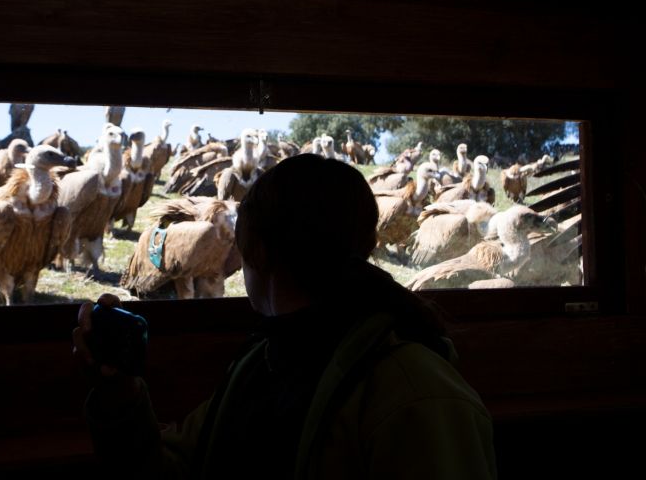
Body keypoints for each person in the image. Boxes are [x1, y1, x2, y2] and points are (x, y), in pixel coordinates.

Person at [72, 153, 496, 479]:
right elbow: (171, 469)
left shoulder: (417, 398)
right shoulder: (265, 360)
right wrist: (120, 393)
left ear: (255, 250)